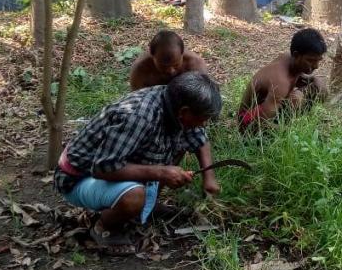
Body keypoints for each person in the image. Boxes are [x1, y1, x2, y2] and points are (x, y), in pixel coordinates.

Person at [54, 72, 222, 254]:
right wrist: (161, 173)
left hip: (112, 166)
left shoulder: (172, 102)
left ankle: (146, 205)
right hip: (79, 177)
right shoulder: (139, 116)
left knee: (179, 143)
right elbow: (102, 168)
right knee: (134, 196)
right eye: (203, 119)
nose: (204, 124)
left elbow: (199, 139)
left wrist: (209, 177)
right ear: (184, 112)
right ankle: (104, 227)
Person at [238, 28, 327, 130]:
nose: (316, 66)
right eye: (310, 60)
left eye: (318, 60)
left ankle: (289, 122)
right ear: (296, 55)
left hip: (265, 109)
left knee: (319, 87)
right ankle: (287, 126)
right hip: (248, 120)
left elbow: (296, 77)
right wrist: (293, 132)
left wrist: (313, 79)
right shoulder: (280, 82)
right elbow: (260, 124)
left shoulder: (289, 58)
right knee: (296, 99)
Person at [130, 29, 208, 90]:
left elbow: (204, 97)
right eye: (163, 66)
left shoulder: (195, 64)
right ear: (152, 55)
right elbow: (137, 98)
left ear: (182, 54)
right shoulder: (140, 68)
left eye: (176, 65)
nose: (171, 71)